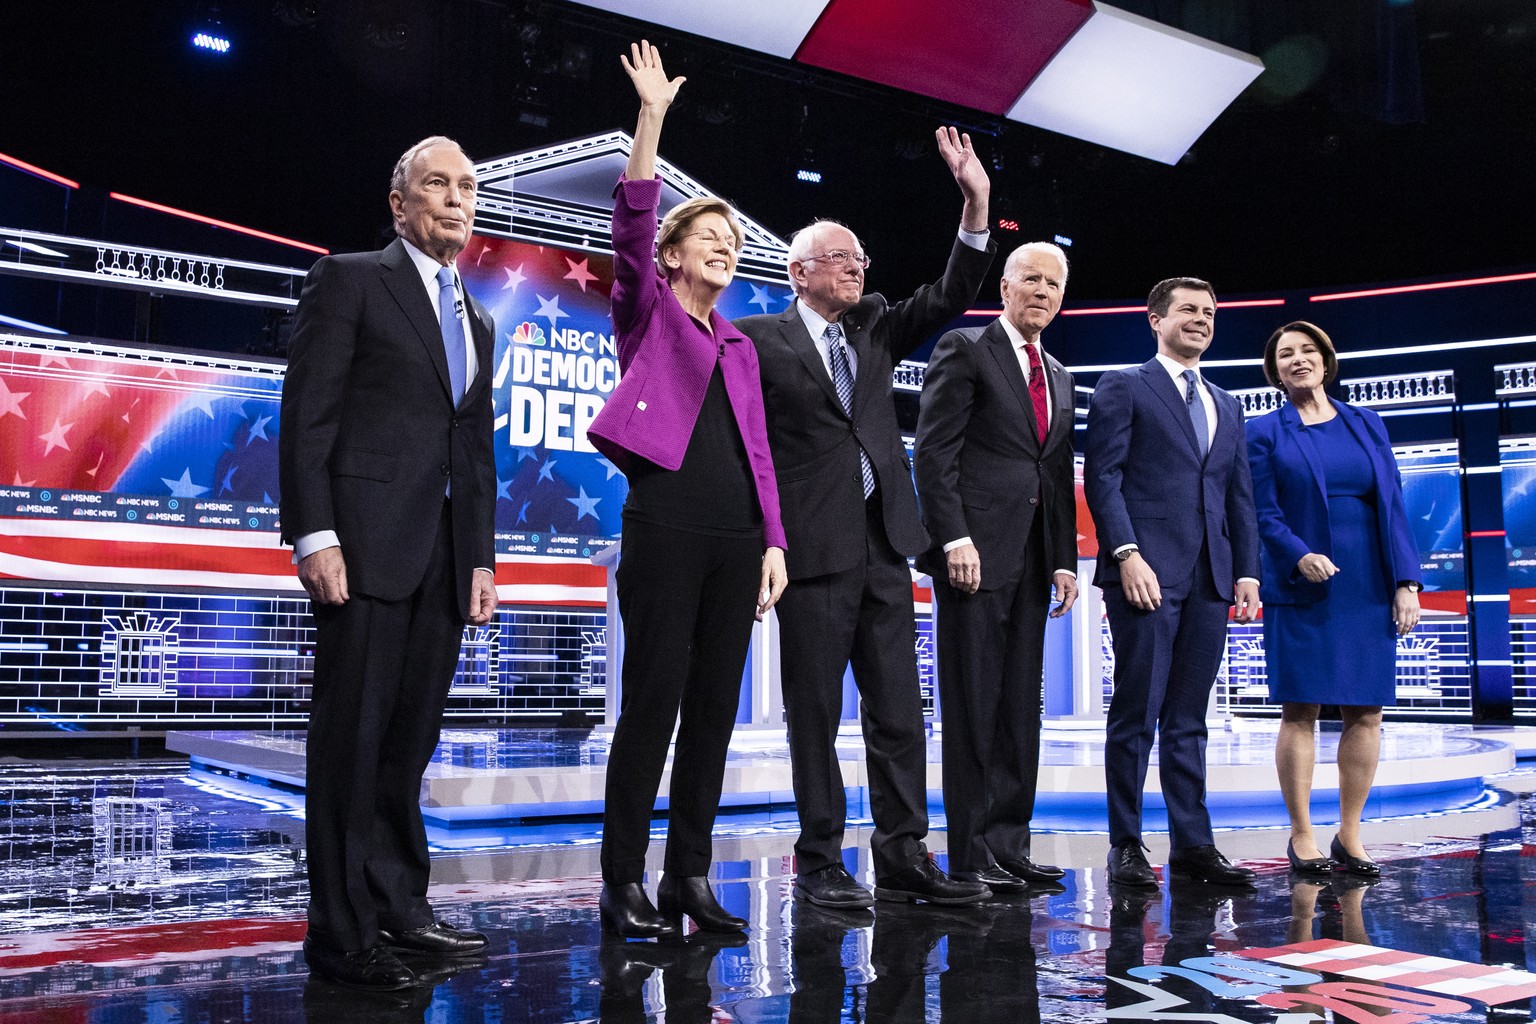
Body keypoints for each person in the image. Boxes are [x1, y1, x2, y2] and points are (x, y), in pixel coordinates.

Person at [736, 127, 995, 909]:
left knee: (897, 711)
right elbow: (743, 448)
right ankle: (819, 861)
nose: (857, 269)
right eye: (842, 260)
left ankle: (904, 853)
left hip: (887, 545)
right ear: (799, 271)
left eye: (861, 261)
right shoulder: (755, 342)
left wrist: (975, 200)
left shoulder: (876, 325)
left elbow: (952, 291)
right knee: (813, 714)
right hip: (810, 553)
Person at [279, 136, 498, 989]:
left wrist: (479, 557)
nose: (455, 198)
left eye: (467, 186)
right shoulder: (350, 280)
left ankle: (402, 908)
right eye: (436, 184)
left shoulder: (476, 317)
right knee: (351, 745)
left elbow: (474, 449)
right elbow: (310, 417)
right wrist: (315, 534)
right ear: (400, 203)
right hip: (364, 548)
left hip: (442, 564)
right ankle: (340, 933)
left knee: (407, 747)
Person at [585, 41, 788, 940]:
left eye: (734, 243)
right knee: (654, 710)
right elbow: (629, 226)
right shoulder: (650, 313)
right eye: (709, 236)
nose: (725, 249)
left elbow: (761, 453)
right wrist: (652, 119)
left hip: (739, 540)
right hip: (665, 526)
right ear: (672, 255)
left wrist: (776, 541)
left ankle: (689, 878)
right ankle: (621, 881)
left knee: (712, 718)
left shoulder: (741, 347)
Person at [1082, 277, 1261, 890]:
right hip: (1145, 574)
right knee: (1137, 712)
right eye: (1188, 310)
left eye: (1210, 312)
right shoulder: (1124, 386)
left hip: (1211, 578)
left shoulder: (1228, 404)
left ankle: (1193, 845)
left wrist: (1246, 572)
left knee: (1189, 719)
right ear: (1154, 319)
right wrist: (1127, 554)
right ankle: (1125, 844)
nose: (1202, 319)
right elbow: (1102, 479)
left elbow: (1239, 496)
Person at [913, 242, 1077, 894]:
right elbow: (934, 452)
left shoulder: (1059, 373)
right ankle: (971, 853)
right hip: (974, 560)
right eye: (1030, 279)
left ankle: (1011, 845)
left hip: (1035, 564)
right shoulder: (965, 349)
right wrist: (953, 537)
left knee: (1018, 711)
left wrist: (1063, 559)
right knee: (973, 706)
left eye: (1053, 284)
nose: (1042, 291)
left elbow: (1057, 475)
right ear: (1005, 288)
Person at [1245, 320, 1421, 878]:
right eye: (1285, 355)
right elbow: (1261, 511)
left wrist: (1406, 582)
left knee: (1366, 711)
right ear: (1274, 371)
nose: (1298, 360)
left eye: (1307, 350)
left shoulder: (1367, 423)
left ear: (1326, 359)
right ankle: (1302, 836)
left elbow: (1391, 504)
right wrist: (1297, 553)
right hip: (1302, 582)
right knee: (1301, 709)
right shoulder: (1264, 432)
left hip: (1367, 581)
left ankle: (1350, 833)